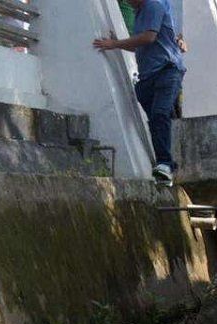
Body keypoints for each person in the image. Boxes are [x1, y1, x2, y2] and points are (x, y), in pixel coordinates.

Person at [94, 0, 186, 186]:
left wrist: (115, 43)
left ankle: (165, 165)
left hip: (167, 71)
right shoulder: (140, 13)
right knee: (155, 119)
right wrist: (118, 44)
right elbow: (139, 45)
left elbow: (148, 38)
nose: (127, 2)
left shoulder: (153, 5)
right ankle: (165, 165)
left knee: (159, 114)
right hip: (147, 76)